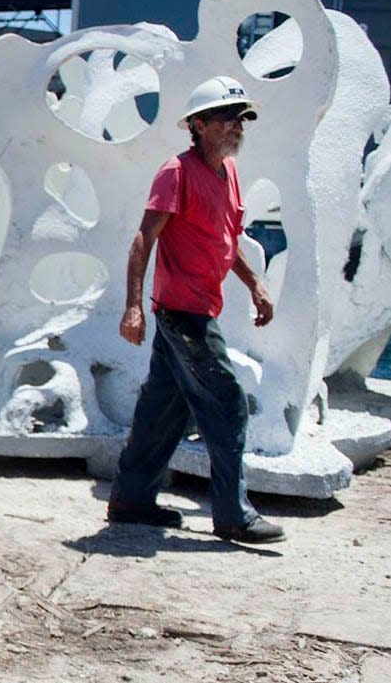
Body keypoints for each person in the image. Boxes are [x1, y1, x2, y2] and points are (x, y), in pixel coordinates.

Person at [107, 76, 285, 544]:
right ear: (199, 125)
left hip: (198, 308)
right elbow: (144, 236)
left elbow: (227, 242)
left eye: (241, 118)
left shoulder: (227, 173)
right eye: (227, 118)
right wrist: (132, 307)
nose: (236, 126)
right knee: (226, 403)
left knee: (162, 411)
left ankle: (130, 500)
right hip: (182, 313)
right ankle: (233, 513)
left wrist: (256, 287)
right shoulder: (177, 171)